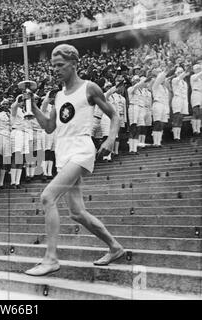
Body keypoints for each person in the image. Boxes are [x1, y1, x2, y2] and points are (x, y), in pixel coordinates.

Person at [24, 44, 124, 276]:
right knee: (77, 212)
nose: (56, 70)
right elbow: (49, 127)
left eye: (60, 65)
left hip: (81, 149)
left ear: (74, 64)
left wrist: (110, 140)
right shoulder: (58, 95)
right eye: (53, 66)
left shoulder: (89, 88)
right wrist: (33, 105)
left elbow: (114, 114)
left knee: (48, 196)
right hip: (63, 152)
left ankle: (50, 259)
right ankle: (115, 247)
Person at [171, 67, 190, 142]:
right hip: (177, 99)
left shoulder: (185, 83)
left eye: (181, 72)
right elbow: (179, 78)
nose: (180, 74)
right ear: (176, 73)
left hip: (183, 100)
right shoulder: (174, 80)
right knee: (177, 117)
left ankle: (178, 136)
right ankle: (175, 136)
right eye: (179, 72)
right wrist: (185, 72)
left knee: (180, 118)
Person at [190, 64, 202, 135]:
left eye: (200, 68)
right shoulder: (193, 76)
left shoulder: (200, 78)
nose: (199, 70)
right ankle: (194, 129)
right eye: (197, 69)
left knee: (200, 112)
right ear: (194, 70)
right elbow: (196, 76)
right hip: (195, 93)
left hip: (200, 94)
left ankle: (198, 129)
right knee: (196, 111)